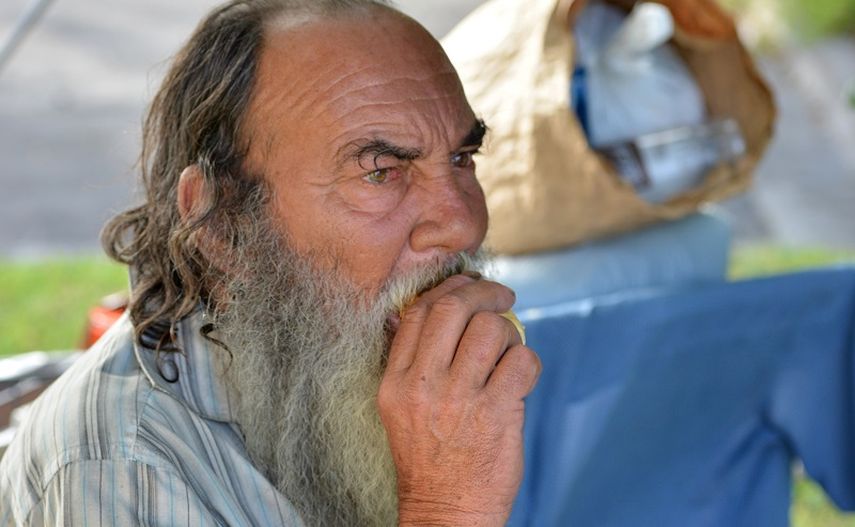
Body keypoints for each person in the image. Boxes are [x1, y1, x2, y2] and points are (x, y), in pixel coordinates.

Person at [0, 1, 541, 525]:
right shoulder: (123, 473)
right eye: (381, 172)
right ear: (221, 227)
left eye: (461, 158)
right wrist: (448, 508)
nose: (462, 224)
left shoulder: (342, 369)